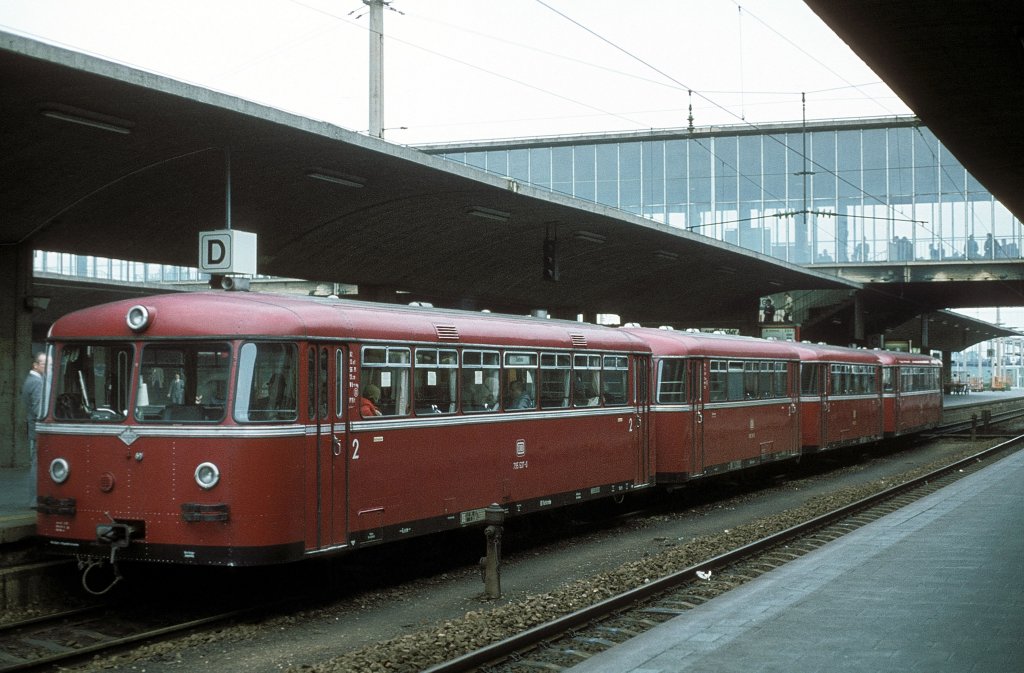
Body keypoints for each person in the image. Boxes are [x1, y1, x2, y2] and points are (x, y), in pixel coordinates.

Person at [21, 352, 47, 508]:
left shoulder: (29, 380)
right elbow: (39, 410)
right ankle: (35, 499)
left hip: (33, 428)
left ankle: (35, 498)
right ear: (35, 365)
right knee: (38, 464)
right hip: (38, 429)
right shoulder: (37, 383)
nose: (48, 367)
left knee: (36, 463)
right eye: (44, 364)